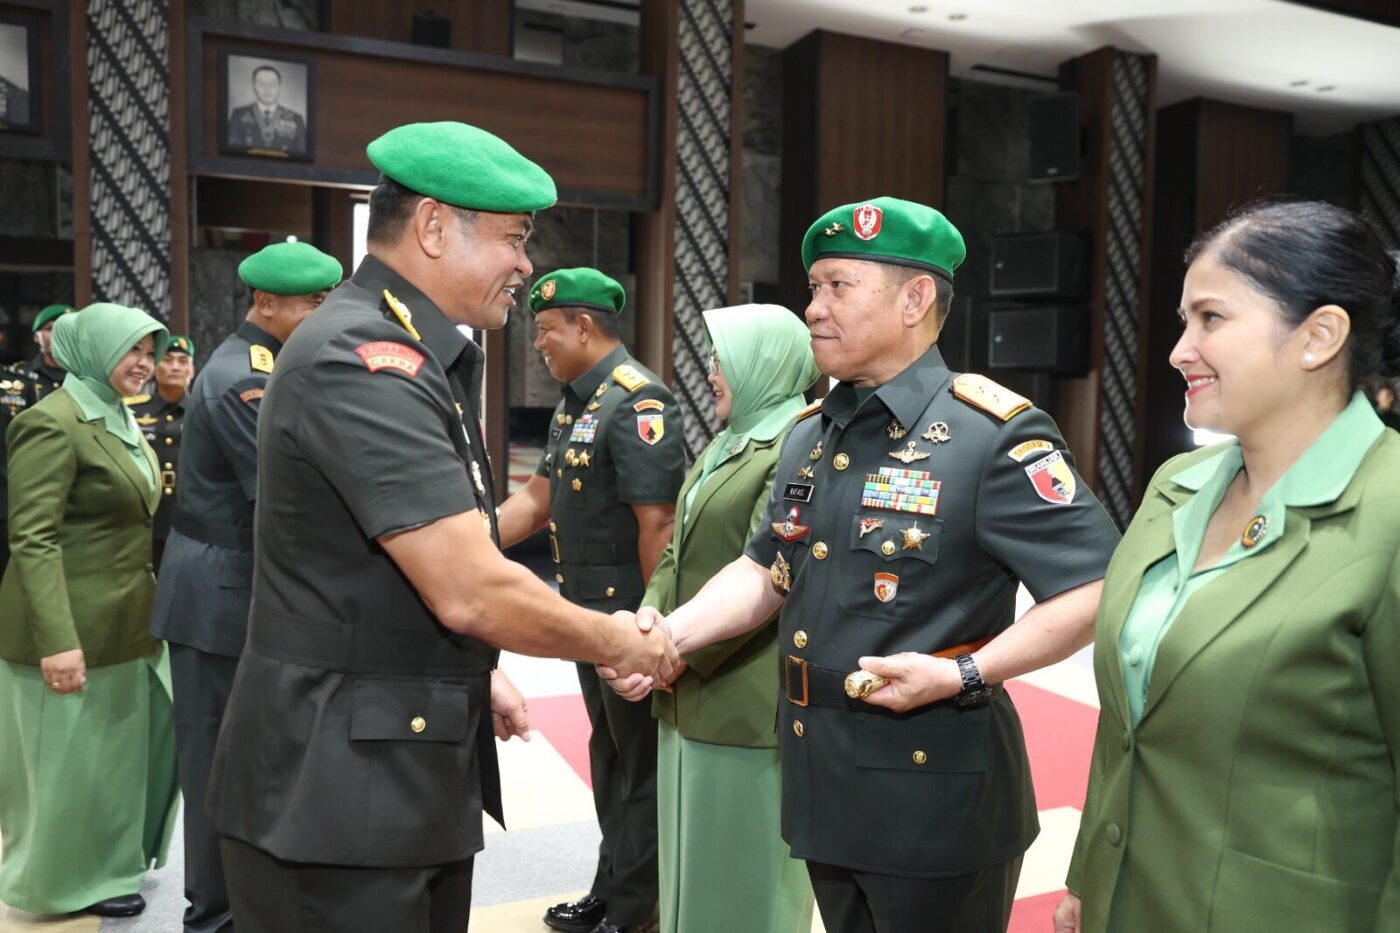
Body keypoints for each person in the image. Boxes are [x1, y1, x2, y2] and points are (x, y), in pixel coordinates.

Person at [204, 121, 679, 933]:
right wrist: (620, 642)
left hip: (388, 761)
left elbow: (402, 560)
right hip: (337, 791)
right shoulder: (361, 359)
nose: (527, 265)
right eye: (513, 237)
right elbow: (466, 584)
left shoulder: (411, 350)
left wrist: (473, 671)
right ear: (430, 226)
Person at [604, 197, 1121, 933]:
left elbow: (1096, 586)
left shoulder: (991, 435)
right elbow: (766, 570)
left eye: (838, 286)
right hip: (823, 784)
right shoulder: (811, 434)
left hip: (936, 801)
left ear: (915, 299)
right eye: (813, 286)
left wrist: (967, 672)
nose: (813, 308)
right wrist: (667, 638)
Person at [1053, 203, 1400, 933]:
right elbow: (1128, 725)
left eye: (1211, 319)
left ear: (1319, 336)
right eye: (1185, 321)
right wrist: (1088, 874)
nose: (1181, 349)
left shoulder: (1389, 509)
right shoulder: (1176, 485)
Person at [150, 242, 340, 933]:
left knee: (247, 761)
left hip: (235, 589)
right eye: (311, 303)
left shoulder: (269, 364)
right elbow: (284, 497)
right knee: (214, 766)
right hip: (217, 598)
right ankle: (213, 916)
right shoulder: (242, 378)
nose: (321, 314)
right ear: (265, 303)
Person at [496, 267, 687, 933]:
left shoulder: (639, 402)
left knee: (641, 766)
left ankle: (637, 910)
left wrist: (652, 622)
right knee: (608, 756)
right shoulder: (578, 401)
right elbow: (535, 499)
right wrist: (462, 542)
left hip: (626, 618)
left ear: (584, 325)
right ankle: (609, 886)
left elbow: (657, 525)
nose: (540, 344)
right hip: (582, 613)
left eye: (547, 331)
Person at [641, 303, 820, 933]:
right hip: (682, 685)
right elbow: (676, 547)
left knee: (745, 886)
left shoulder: (799, 443)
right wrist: (646, 621)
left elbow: (767, 581)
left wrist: (672, 651)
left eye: (725, 356)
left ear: (766, 360)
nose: (712, 370)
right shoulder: (729, 438)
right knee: (688, 874)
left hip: (746, 699)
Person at [0, 303, 178, 919]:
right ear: (95, 351)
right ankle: (54, 885)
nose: (145, 364)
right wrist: (57, 639)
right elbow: (33, 539)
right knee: (64, 762)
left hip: (126, 618)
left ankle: (106, 867)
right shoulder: (52, 422)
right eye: (132, 350)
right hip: (67, 624)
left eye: (150, 352)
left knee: (112, 756)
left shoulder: (116, 417)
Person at [0, 303, 73, 574]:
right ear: (36, 336)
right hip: (21, 496)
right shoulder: (15, 380)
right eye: (52, 329)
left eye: (69, 330)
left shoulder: (88, 381)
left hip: (73, 496)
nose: (59, 336)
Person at [125, 334, 195, 570]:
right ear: (154, 368)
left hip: (189, 517)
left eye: (183, 361)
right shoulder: (131, 410)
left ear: (193, 370)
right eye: (167, 360)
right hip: (143, 518)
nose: (175, 367)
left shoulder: (203, 410)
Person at [226, 64, 306, 155]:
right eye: (262, 83)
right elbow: (232, 153)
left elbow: (301, 154)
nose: (267, 89)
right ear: (254, 86)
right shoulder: (238, 115)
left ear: (279, 87)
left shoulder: (296, 119)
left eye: (272, 84)